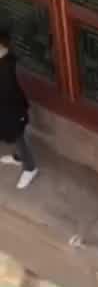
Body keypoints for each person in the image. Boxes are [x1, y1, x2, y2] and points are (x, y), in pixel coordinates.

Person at [0, 23, 37, 189]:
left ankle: (30, 168)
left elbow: (19, 89)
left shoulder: (12, 65)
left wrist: (20, 112)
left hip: (15, 110)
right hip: (4, 109)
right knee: (14, 136)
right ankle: (18, 157)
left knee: (20, 137)